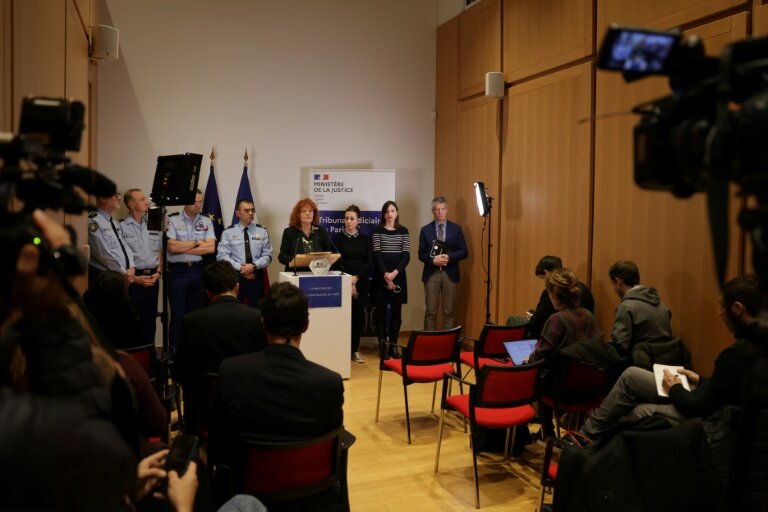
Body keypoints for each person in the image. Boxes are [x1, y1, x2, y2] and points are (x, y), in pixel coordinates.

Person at [580, 275, 764, 441]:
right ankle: (587, 438)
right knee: (632, 376)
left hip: (714, 418)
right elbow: (729, 388)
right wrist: (699, 379)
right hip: (714, 402)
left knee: (638, 410)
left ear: (738, 309)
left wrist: (674, 387)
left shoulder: (737, 354)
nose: (720, 313)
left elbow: (698, 406)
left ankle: (586, 439)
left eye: (722, 307)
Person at [211, 282, 344, 510]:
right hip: (312, 497)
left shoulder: (231, 372)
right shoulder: (329, 382)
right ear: (306, 325)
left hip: (247, 494)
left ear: (262, 323)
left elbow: (218, 445)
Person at [175, 261, 267, 434]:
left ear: (207, 292)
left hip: (205, 412)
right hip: (248, 409)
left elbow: (181, 371)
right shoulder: (257, 318)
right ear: (237, 287)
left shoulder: (192, 320)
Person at [528, 268, 603, 437]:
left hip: (562, 390)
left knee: (535, 373)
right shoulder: (589, 316)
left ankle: (546, 431)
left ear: (553, 295)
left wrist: (527, 361)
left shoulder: (556, 320)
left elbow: (539, 356)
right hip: (590, 388)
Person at [166, 190, 216, 351]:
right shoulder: (172, 220)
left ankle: (194, 351)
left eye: (201, 202)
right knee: (178, 315)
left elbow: (210, 248)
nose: (199, 205)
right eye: (195, 201)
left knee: (196, 314)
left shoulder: (206, 221)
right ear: (186, 201)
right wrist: (197, 242)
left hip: (198, 271)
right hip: (177, 272)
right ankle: (175, 351)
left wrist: (184, 247)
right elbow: (172, 247)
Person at [417, 196, 468, 331]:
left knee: (449, 312)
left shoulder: (456, 229)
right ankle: (429, 344)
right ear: (432, 211)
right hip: (431, 274)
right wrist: (433, 260)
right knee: (430, 312)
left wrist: (449, 257)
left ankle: (447, 345)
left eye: (442, 209)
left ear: (447, 210)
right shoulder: (425, 230)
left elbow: (464, 251)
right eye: (437, 209)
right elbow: (421, 254)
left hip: (450, 274)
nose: (440, 212)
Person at [120, 188, 162, 345]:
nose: (147, 202)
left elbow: (160, 250)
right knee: (132, 319)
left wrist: (158, 272)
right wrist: (136, 279)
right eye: (142, 199)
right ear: (131, 204)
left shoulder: (153, 223)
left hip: (153, 277)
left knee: (150, 320)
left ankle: (150, 356)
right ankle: (135, 356)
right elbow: (120, 258)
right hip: (134, 280)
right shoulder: (121, 227)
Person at [332, 205, 373, 363]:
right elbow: (337, 262)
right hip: (342, 281)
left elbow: (369, 262)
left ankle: (355, 349)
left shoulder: (365, 239)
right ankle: (342, 350)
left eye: (352, 219)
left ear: (358, 220)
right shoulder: (337, 239)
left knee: (358, 317)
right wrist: (349, 280)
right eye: (347, 218)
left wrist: (356, 279)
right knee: (342, 317)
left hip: (361, 283)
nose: (349, 221)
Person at [519, 255, 595, 339]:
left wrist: (532, 317)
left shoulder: (556, 319)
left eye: (542, 278)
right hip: (582, 339)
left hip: (558, 338)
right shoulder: (584, 290)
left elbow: (536, 323)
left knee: (514, 320)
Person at [607, 260, 672, 357]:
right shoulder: (662, 304)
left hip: (640, 365)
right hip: (664, 363)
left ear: (618, 282)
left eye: (612, 283)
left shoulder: (626, 307)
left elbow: (618, 348)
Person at [217, 198, 272, 307]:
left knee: (258, 312)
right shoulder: (228, 232)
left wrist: (253, 266)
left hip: (256, 277)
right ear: (238, 213)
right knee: (233, 311)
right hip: (235, 279)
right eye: (246, 211)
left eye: (252, 210)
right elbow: (221, 256)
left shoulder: (262, 231)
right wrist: (242, 268)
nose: (251, 213)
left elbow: (268, 256)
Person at [371, 200, 410, 354]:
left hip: (398, 276)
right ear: (384, 214)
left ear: (397, 213)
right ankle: (383, 349)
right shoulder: (377, 231)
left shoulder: (404, 231)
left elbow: (406, 255)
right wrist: (386, 275)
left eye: (392, 211)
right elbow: (376, 254)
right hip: (381, 276)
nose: (390, 214)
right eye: (387, 211)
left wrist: (394, 274)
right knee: (380, 313)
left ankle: (393, 347)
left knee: (396, 314)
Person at [88, 190, 136, 287]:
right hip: (105, 278)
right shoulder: (92, 221)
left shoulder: (112, 221)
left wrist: (131, 267)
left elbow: (124, 245)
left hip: (121, 277)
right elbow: (103, 254)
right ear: (103, 198)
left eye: (119, 194)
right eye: (116, 194)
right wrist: (125, 273)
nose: (120, 198)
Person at [277, 197, 331, 272]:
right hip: (295, 274)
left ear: (313, 214)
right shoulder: (289, 232)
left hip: (316, 273)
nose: (308, 213)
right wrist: (297, 260)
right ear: (298, 214)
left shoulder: (321, 231)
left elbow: (328, 254)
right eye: (304, 211)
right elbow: (282, 257)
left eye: (310, 211)